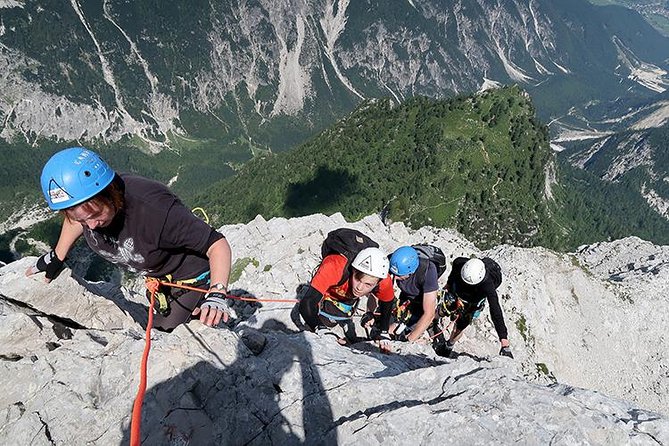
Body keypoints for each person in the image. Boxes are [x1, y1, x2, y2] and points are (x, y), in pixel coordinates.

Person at [25, 147, 233, 331]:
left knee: (165, 334)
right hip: (159, 280)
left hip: (191, 279)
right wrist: (57, 255)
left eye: (96, 216)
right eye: (82, 219)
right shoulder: (87, 211)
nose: (91, 226)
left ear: (110, 193)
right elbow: (76, 220)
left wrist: (217, 294)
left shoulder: (155, 209)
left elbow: (216, 244)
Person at [298, 247, 394, 343]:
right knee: (324, 322)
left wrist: (384, 333)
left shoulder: (384, 281)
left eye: (368, 284)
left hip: (347, 298)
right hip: (327, 295)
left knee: (336, 318)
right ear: (353, 270)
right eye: (357, 279)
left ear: (377, 283)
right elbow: (307, 304)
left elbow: (387, 305)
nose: (359, 287)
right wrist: (321, 329)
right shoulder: (334, 266)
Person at [436, 257, 513, 358]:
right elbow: (454, 273)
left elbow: (495, 311)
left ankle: (449, 346)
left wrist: (504, 341)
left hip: (474, 300)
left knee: (460, 325)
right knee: (443, 308)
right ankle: (430, 321)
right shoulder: (459, 263)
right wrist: (449, 284)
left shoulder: (488, 286)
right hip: (458, 289)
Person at [387, 246, 439, 343]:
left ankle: (430, 330)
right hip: (406, 296)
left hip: (421, 300)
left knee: (411, 328)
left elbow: (429, 313)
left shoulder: (428, 272)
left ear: (411, 271)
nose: (395, 278)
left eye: (399, 275)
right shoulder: (393, 263)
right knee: (391, 329)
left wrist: (409, 340)